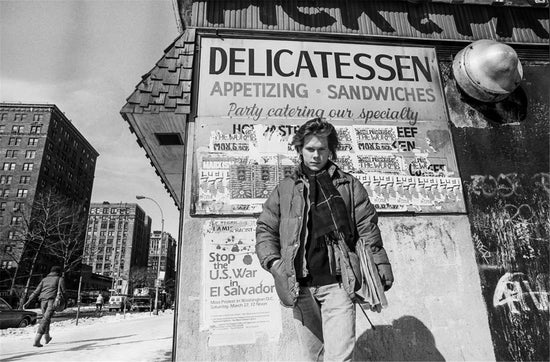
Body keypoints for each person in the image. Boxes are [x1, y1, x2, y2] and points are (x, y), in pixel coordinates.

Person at [256, 118, 394, 361]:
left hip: (339, 284)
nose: (316, 155)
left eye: (322, 149)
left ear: (330, 151)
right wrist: (274, 264)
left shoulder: (348, 185)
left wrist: (381, 268)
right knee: (314, 357)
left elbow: (368, 229)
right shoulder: (285, 188)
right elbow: (266, 228)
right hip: (300, 286)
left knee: (339, 357)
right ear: (300, 150)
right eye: (310, 149)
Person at [23, 265, 65, 347]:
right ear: (59, 272)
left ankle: (47, 337)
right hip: (52, 301)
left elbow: (36, 291)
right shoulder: (60, 279)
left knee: (46, 318)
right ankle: (37, 340)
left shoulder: (44, 280)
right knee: (45, 319)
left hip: (42, 301)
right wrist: (65, 302)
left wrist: (28, 301)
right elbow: (64, 292)